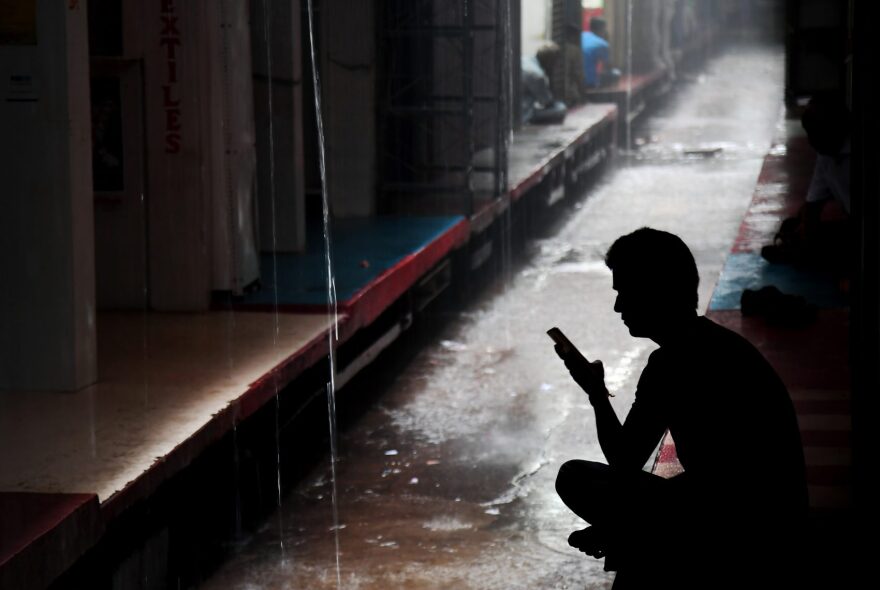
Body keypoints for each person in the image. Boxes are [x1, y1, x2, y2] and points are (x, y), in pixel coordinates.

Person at [554, 228, 808, 588]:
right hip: (772, 514)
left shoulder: (672, 363)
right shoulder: (720, 345)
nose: (618, 306)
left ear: (656, 290)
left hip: (742, 531)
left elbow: (624, 458)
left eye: (625, 291)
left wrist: (595, 392)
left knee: (573, 476)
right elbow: (698, 459)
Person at [762, 93, 851, 270]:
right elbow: (813, 204)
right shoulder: (825, 153)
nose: (811, 142)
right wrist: (802, 229)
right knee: (794, 227)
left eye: (816, 134)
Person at [521, 51, 567, 125]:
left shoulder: (526, 59)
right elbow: (546, 102)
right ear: (550, 62)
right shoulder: (537, 75)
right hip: (524, 114)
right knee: (561, 108)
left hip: (514, 110)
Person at [581, 17, 618, 88]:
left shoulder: (582, 35)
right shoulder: (602, 44)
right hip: (589, 83)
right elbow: (608, 67)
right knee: (615, 74)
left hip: (575, 81)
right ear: (602, 29)